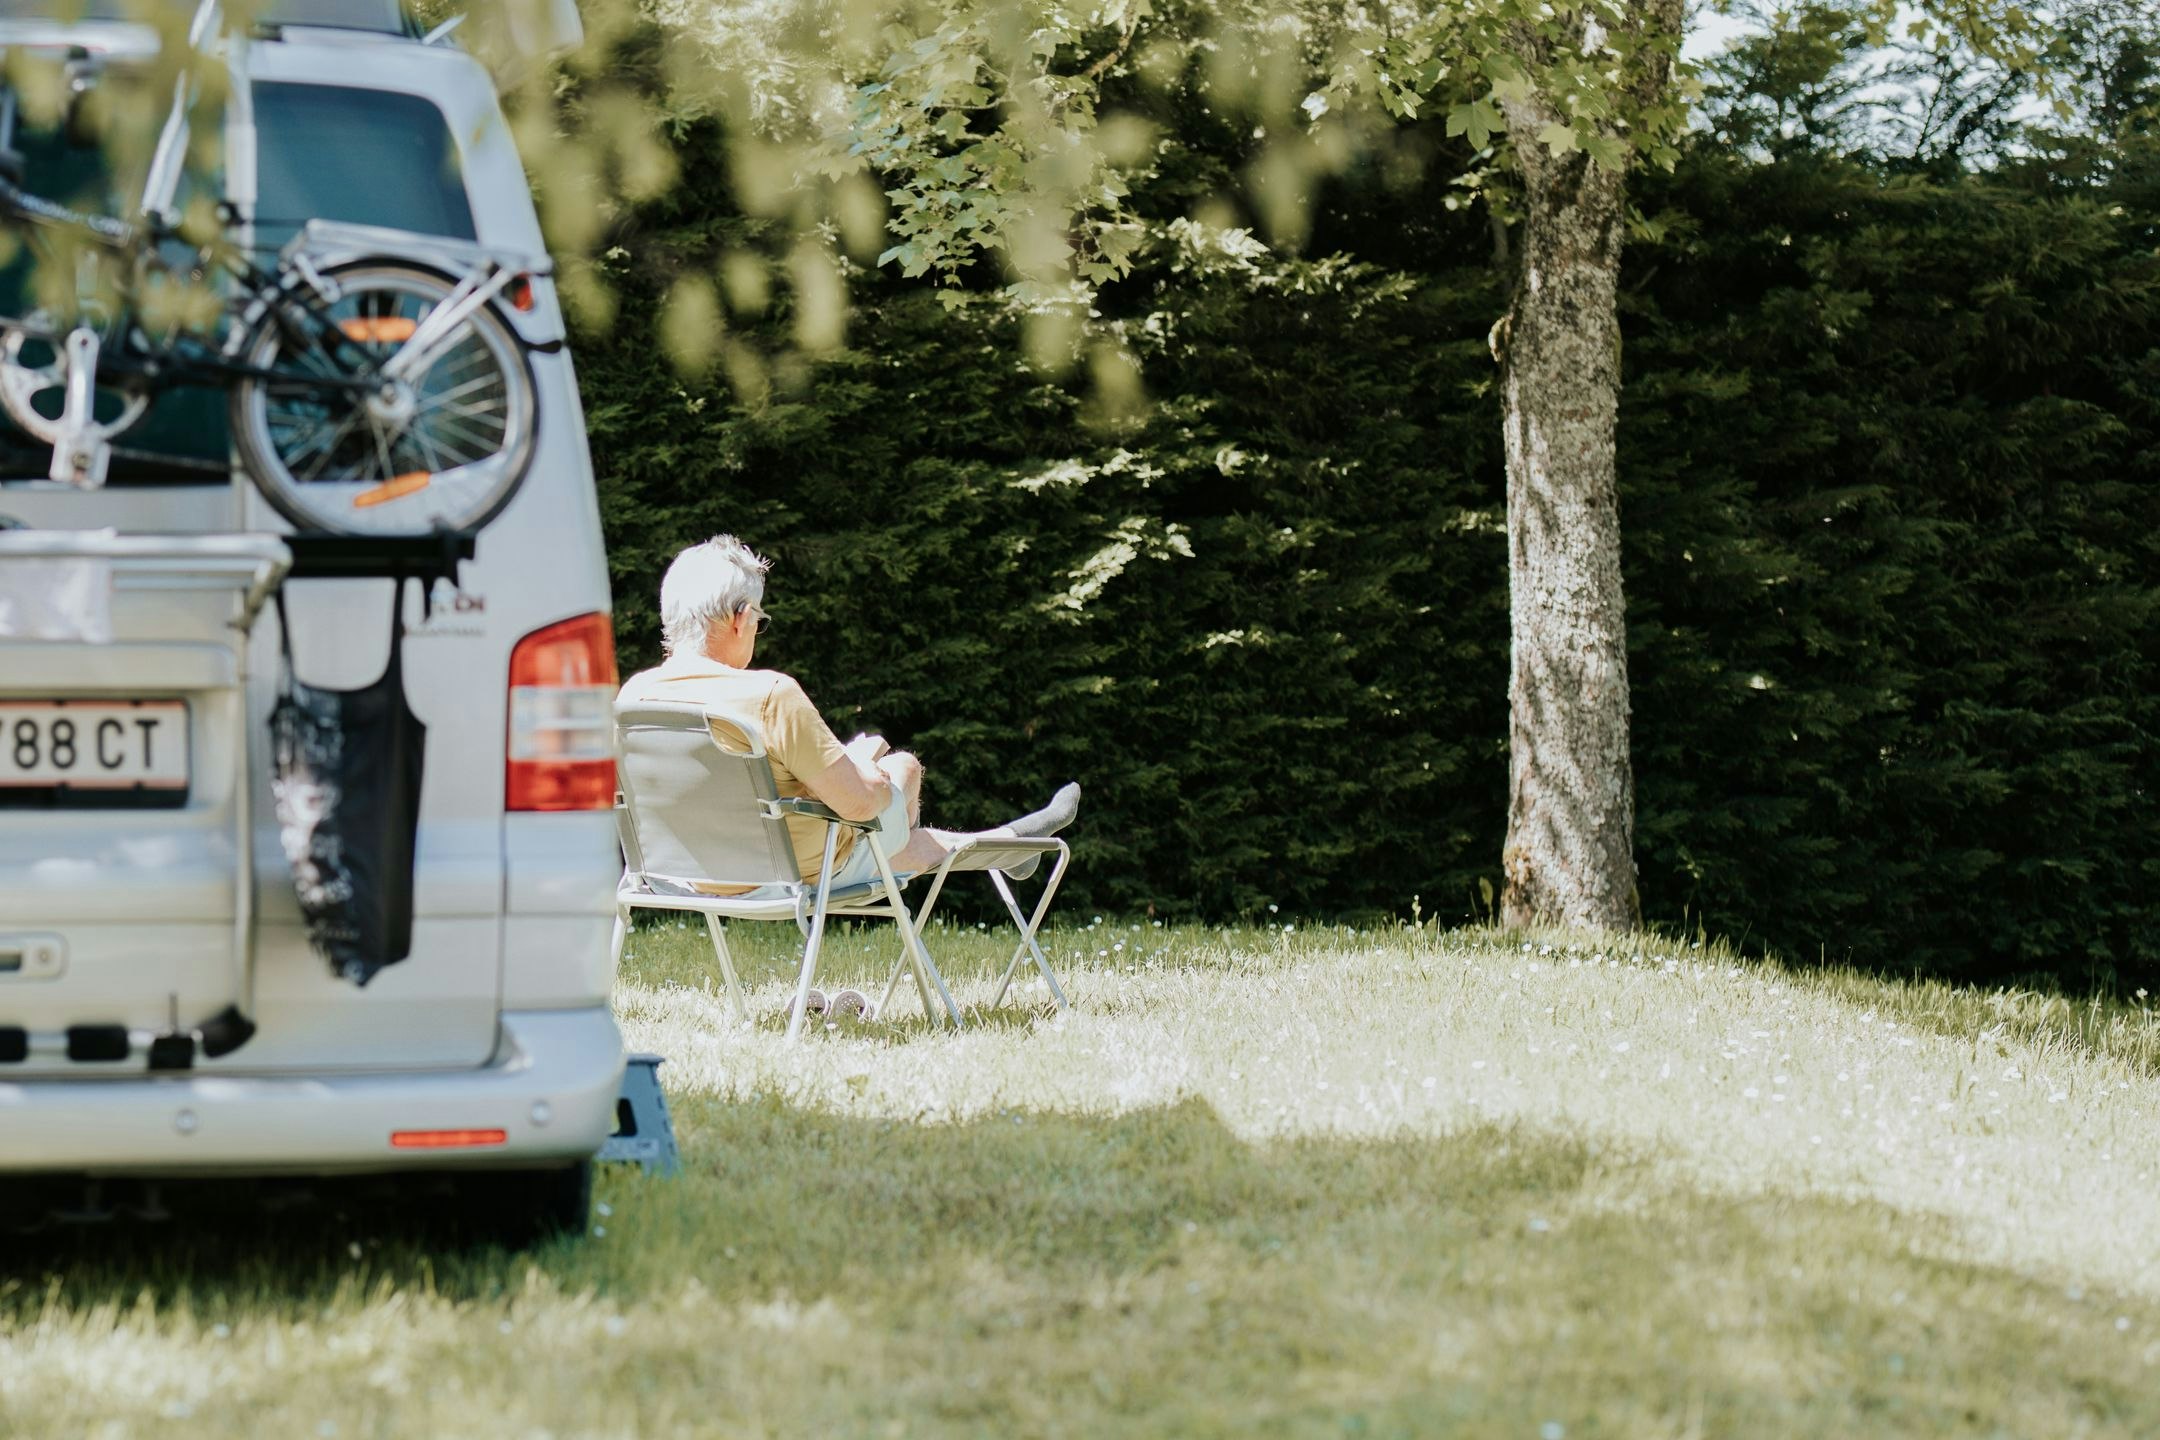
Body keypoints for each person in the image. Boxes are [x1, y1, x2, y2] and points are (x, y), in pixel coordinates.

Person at [617, 535, 1079, 895]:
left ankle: (1009, 846)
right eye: (758, 618)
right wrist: (863, 766)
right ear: (739, 618)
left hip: (685, 878)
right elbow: (860, 806)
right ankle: (1009, 846)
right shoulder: (770, 695)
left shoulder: (634, 700)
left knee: (883, 832)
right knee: (902, 769)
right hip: (792, 875)